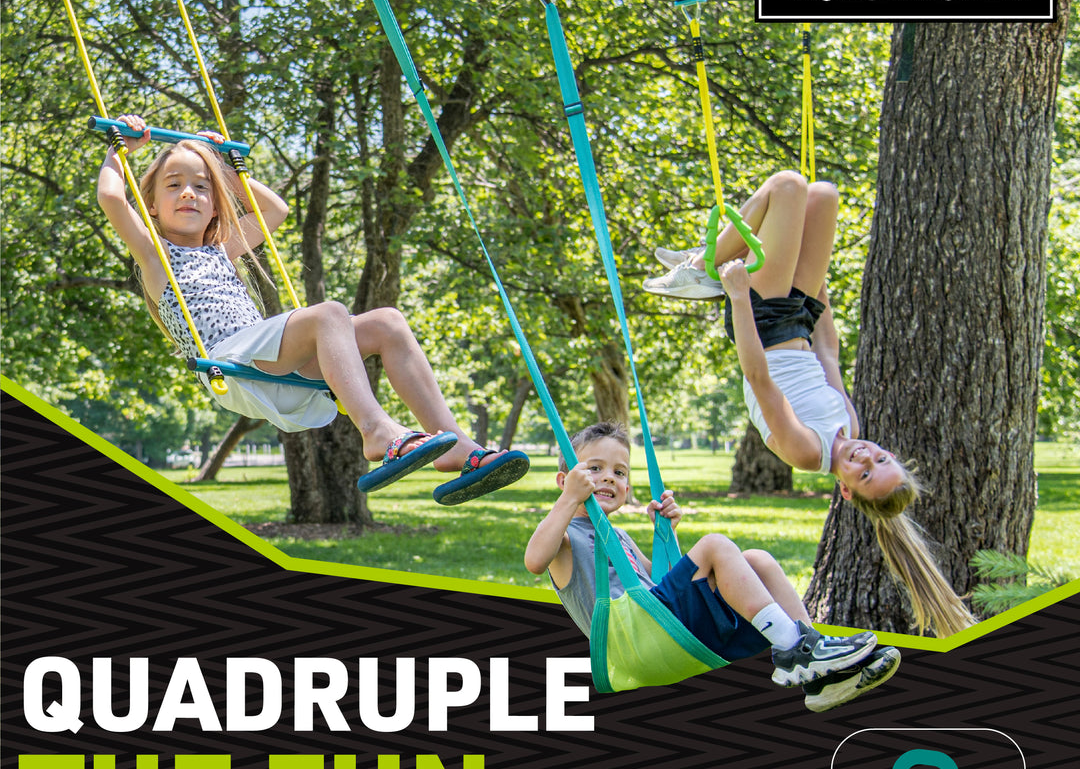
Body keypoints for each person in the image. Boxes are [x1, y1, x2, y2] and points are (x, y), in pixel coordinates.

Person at [96, 114, 528, 503]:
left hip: (274, 366)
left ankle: (458, 448)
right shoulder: (155, 256)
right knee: (329, 313)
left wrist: (225, 167)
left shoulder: (222, 250)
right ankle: (376, 431)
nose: (188, 193)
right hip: (230, 363)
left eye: (202, 186)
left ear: (216, 204)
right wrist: (120, 147)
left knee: (387, 323)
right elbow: (112, 199)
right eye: (173, 184)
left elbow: (274, 208)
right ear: (150, 204)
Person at [643, 172, 975, 637]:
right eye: (879, 459)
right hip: (798, 317)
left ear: (845, 490)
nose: (865, 455)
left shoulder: (806, 451)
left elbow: (759, 377)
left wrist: (738, 297)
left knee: (788, 188)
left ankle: (701, 269)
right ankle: (706, 259)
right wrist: (822, 301)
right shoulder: (851, 427)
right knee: (824, 195)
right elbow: (828, 356)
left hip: (761, 322)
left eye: (863, 473)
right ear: (890, 454)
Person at [524, 422, 901, 712]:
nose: (609, 477)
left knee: (758, 562)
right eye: (595, 468)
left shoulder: (619, 536)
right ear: (565, 480)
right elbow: (535, 560)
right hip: (631, 646)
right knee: (716, 545)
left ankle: (817, 667)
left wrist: (666, 534)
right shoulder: (566, 539)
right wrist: (569, 498)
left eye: (620, 472)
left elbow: (656, 582)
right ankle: (794, 652)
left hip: (657, 630)